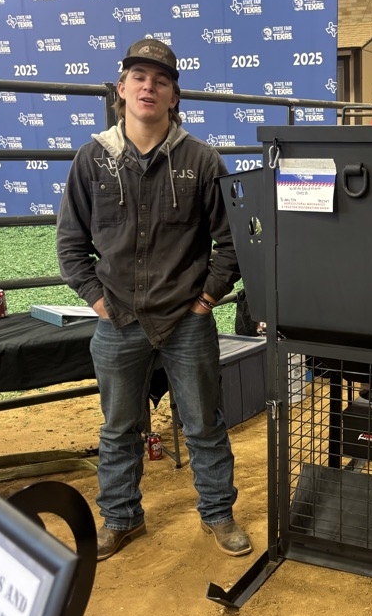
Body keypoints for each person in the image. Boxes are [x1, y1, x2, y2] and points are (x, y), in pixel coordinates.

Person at [57, 38, 252, 561]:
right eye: (138, 77)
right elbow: (71, 245)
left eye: (160, 80)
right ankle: (121, 519)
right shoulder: (91, 161)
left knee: (204, 423)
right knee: (119, 428)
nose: (149, 86)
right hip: (117, 320)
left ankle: (218, 514)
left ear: (174, 96)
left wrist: (207, 298)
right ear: (121, 90)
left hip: (187, 320)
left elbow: (231, 243)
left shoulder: (202, 160)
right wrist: (99, 302)